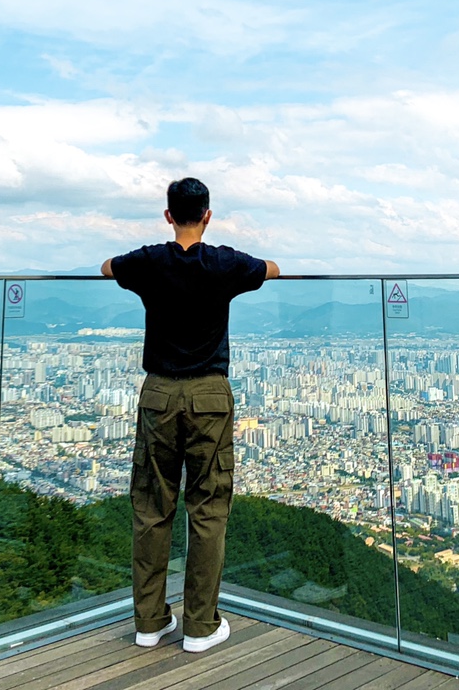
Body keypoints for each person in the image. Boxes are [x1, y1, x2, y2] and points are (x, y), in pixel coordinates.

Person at [101, 177, 280, 654]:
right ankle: (200, 625)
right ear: (207, 215)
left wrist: (139, 267)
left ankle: (149, 622)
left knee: (151, 507)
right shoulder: (223, 263)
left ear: (167, 215)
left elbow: (106, 267)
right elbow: (272, 269)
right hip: (209, 395)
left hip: (158, 393)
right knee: (208, 509)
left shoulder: (149, 261)